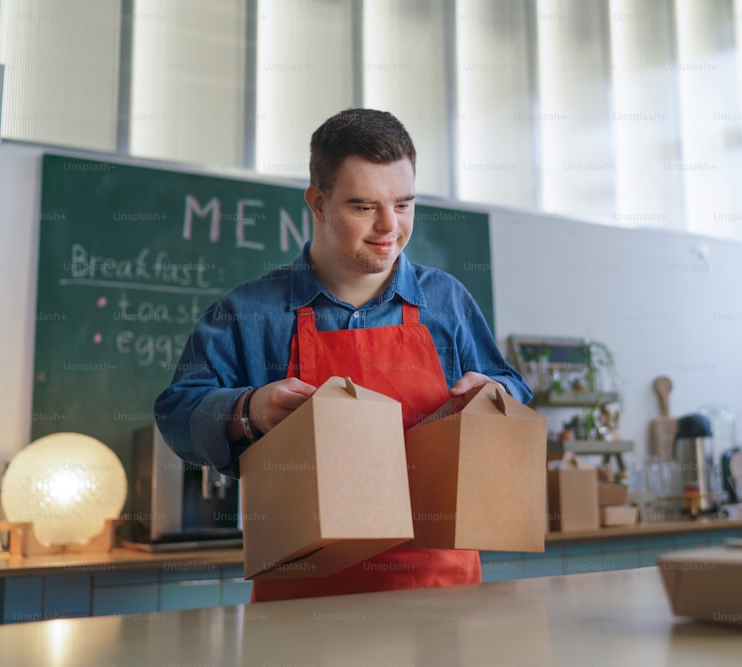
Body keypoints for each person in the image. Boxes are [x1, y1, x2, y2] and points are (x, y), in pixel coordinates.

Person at [153, 108, 532, 602]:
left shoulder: (448, 301)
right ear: (317, 202)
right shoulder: (250, 312)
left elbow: (511, 387)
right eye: (362, 207)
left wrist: (497, 395)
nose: (389, 227)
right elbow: (177, 412)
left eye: (403, 203)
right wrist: (248, 411)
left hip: (440, 598)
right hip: (304, 604)